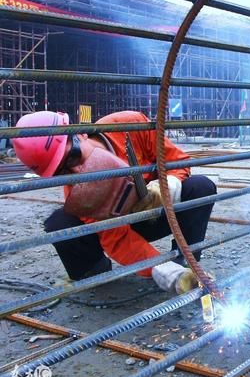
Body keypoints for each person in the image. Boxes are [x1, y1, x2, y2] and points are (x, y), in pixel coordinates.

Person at [13, 110, 217, 294]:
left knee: (201, 187)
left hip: (161, 214)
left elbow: (177, 160)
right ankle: (94, 272)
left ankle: (186, 260)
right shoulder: (78, 195)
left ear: (79, 133)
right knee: (60, 222)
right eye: (62, 172)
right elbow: (117, 239)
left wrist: (167, 186)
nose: (76, 172)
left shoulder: (129, 125)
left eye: (73, 158)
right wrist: (164, 270)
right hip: (126, 225)